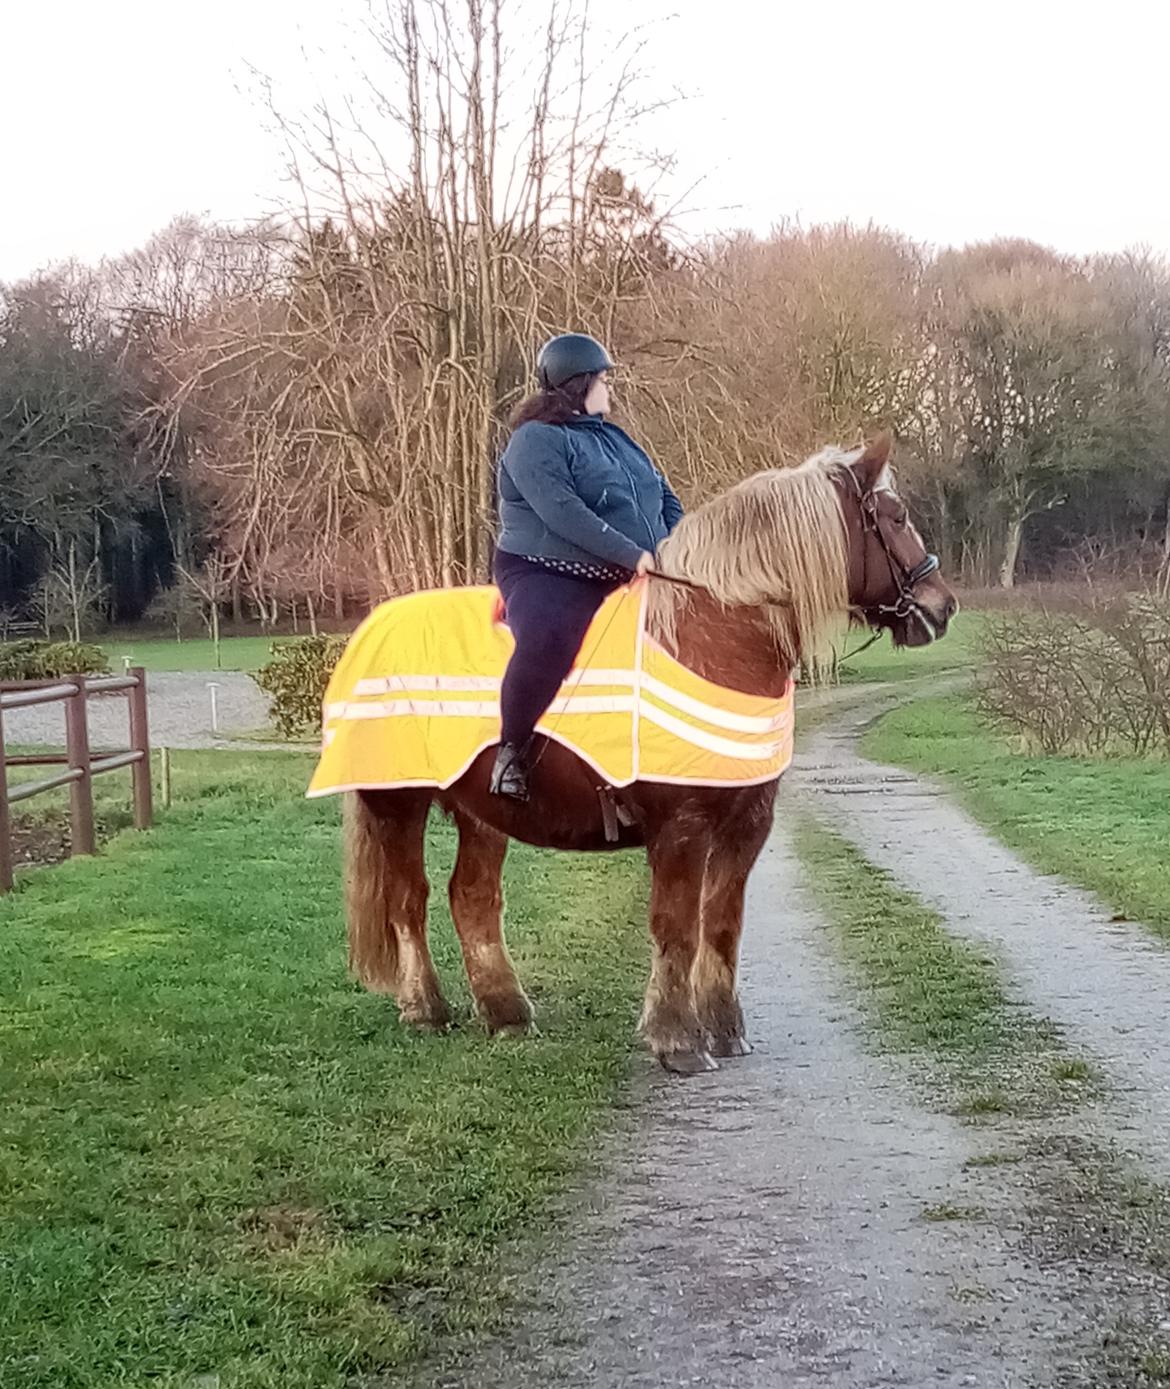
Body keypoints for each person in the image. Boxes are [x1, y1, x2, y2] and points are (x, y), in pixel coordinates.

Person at [490, 332, 684, 801]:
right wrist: (634, 556)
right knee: (547, 637)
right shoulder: (533, 442)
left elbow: (664, 497)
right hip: (546, 571)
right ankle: (510, 753)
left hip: (627, 570)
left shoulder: (617, 439)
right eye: (602, 380)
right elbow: (564, 514)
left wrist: (683, 548)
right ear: (579, 385)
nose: (609, 389)